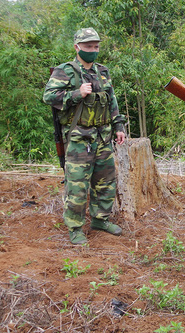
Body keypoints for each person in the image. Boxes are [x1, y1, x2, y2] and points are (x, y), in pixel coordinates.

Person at [43, 27, 127, 246]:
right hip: (79, 138)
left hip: (103, 135)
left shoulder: (102, 71)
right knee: (77, 185)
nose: (93, 50)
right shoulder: (65, 71)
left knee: (106, 182)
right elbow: (49, 96)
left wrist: (119, 126)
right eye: (88, 46)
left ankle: (100, 220)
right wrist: (75, 93)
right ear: (77, 47)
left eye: (96, 46)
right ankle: (75, 227)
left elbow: (112, 100)